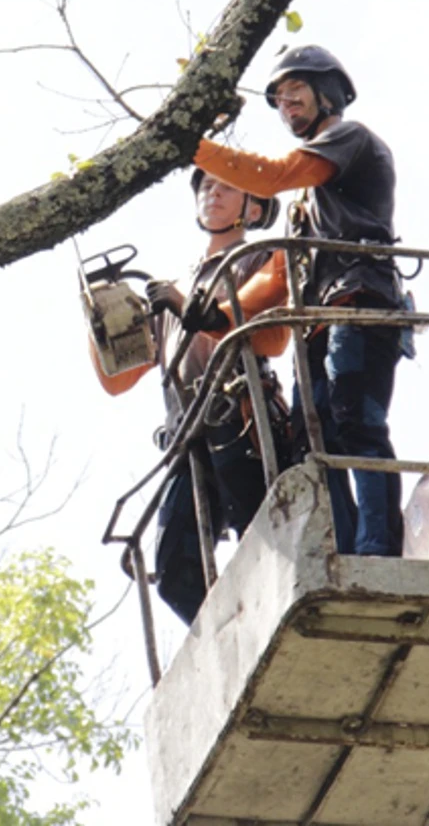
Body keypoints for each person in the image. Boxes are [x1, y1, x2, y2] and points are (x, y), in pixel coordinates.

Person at [190, 44, 408, 556]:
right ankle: (349, 547)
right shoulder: (306, 204)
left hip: (358, 299)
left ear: (327, 92)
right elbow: (278, 278)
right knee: (314, 441)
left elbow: (273, 177)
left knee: (356, 421)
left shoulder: (347, 140)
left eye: (296, 95)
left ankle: (377, 545)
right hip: (317, 319)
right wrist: (217, 315)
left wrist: (192, 145)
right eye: (280, 103)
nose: (288, 109)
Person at [86, 170, 289, 624]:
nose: (211, 193)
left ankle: (270, 618)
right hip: (187, 438)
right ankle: (237, 637)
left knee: (264, 540)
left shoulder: (259, 259)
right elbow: (118, 379)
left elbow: (272, 337)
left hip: (240, 418)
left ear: (252, 209)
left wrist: (188, 306)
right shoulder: (174, 284)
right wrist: (99, 321)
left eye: (225, 186)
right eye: (205, 187)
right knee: (176, 571)